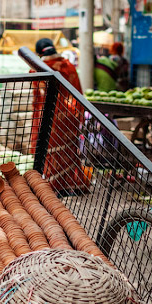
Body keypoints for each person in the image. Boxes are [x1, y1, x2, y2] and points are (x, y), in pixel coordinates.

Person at [30, 38, 88, 193]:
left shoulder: (38, 69)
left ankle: (52, 185)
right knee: (69, 148)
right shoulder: (68, 66)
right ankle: (71, 183)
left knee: (50, 150)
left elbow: (37, 97)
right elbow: (77, 91)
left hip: (51, 117)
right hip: (70, 115)